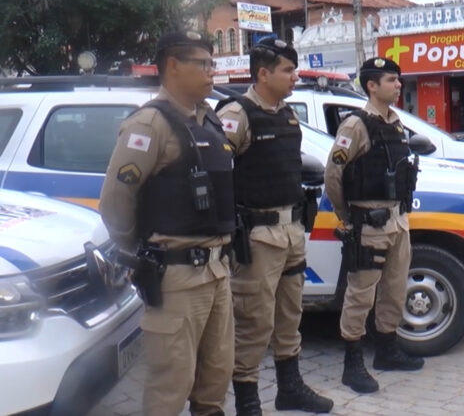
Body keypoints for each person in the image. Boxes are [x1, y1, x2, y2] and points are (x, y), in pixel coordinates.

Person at [100, 31, 235, 416]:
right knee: (171, 385)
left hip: (216, 273)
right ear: (173, 66)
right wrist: (137, 252)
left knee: (215, 377)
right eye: (203, 64)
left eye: (213, 64)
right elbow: (115, 202)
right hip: (176, 277)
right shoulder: (149, 125)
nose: (212, 73)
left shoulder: (208, 119)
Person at [216, 37, 333, 415]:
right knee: (253, 320)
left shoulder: (286, 113)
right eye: (287, 70)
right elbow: (216, 173)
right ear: (263, 73)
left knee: (289, 315)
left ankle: (290, 388)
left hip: (291, 231)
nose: (295, 77)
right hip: (258, 236)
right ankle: (248, 401)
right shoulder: (238, 114)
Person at [324, 57, 423, 394]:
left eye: (398, 80)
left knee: (394, 290)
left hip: (398, 220)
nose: (398, 85)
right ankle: (353, 363)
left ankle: (387, 350)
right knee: (361, 294)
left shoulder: (395, 123)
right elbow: (333, 176)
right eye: (391, 80)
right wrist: (347, 217)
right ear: (372, 85)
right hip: (369, 223)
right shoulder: (356, 126)